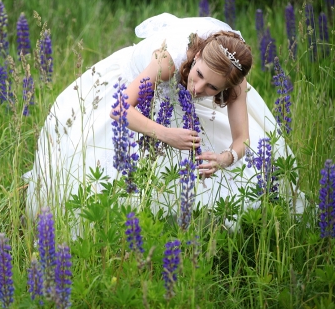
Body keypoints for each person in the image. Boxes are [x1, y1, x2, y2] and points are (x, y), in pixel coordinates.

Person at [24, 13, 302, 222]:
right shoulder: (169, 59)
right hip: (136, 88)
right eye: (200, 75)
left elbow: (242, 138)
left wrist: (224, 157)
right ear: (196, 58)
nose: (198, 89)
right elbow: (119, 109)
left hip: (180, 93)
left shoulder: (234, 77)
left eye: (212, 88)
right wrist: (166, 133)